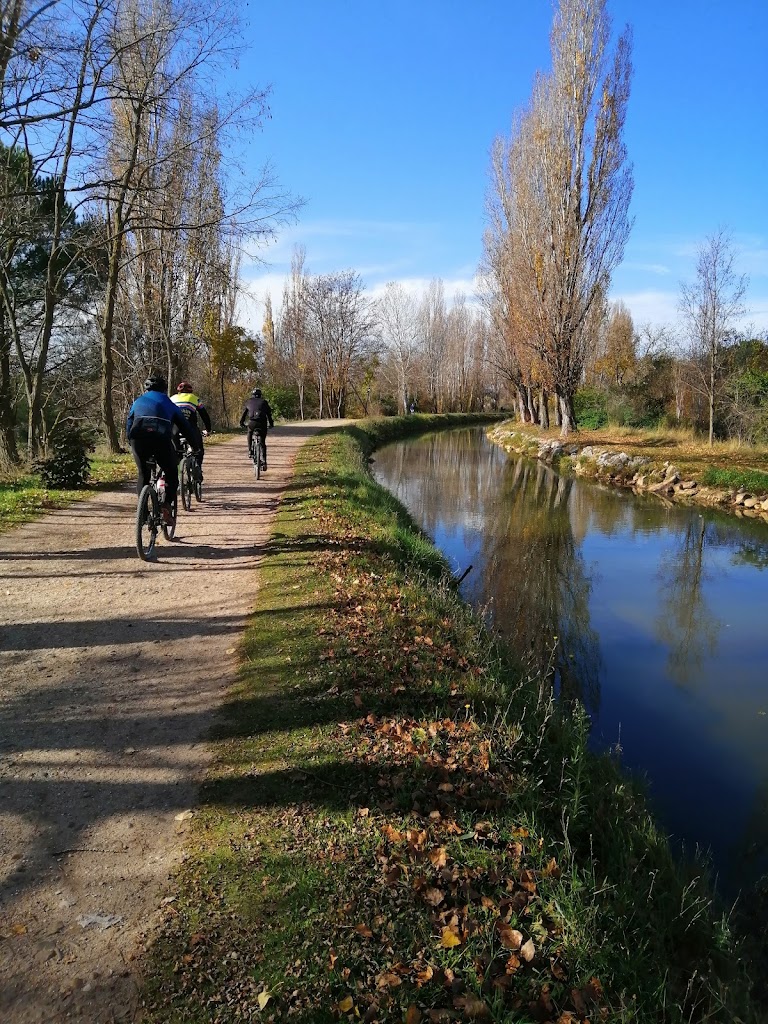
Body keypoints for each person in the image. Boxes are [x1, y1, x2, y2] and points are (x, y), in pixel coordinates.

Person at [126, 373, 202, 525]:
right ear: (163, 389)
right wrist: (195, 446)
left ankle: (143, 513)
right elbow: (185, 427)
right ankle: (166, 505)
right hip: (160, 438)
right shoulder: (168, 403)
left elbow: (129, 422)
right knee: (172, 473)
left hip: (138, 439)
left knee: (143, 474)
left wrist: (131, 441)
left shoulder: (138, 401)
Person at [171, 380, 212, 478]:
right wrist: (208, 429)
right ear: (190, 391)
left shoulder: (172, 398)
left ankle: (174, 474)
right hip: (190, 428)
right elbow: (204, 415)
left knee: (175, 452)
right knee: (198, 450)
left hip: (175, 429)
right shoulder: (195, 398)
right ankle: (198, 470)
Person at [239, 387, 274, 470]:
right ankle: (264, 461)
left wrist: (241, 423)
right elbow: (269, 414)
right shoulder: (264, 402)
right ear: (260, 395)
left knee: (249, 432)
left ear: (252, 395)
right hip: (262, 423)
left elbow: (244, 414)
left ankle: (250, 451)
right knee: (262, 442)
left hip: (252, 423)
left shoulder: (249, 401)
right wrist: (271, 424)